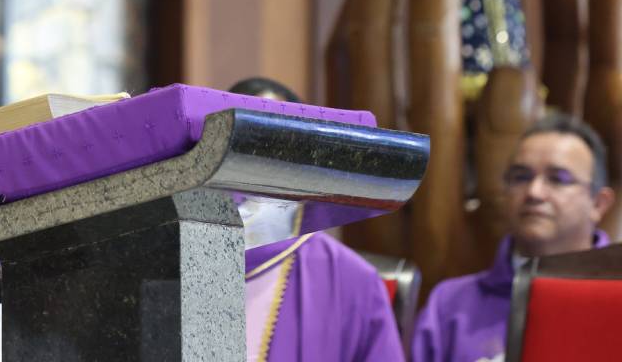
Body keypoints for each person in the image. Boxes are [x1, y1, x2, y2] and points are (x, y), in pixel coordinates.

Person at [411, 112, 615, 362]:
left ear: (599, 203)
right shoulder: (450, 304)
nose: (534, 192)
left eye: (557, 179)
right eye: (521, 177)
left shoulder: (616, 296)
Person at [228, 78, 406, 361]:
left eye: (279, 145)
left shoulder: (353, 281)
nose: (261, 164)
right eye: (246, 143)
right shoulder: (170, 260)